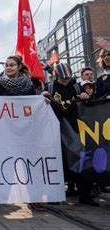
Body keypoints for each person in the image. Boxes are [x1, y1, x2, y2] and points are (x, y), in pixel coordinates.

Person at [0, 55, 37, 212]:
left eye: (12, 65)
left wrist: (43, 100)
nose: (8, 67)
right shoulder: (0, 84)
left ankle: (33, 198)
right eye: (6, 65)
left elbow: (34, 102)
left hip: (23, 131)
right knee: (3, 165)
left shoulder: (28, 84)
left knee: (26, 165)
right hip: (4, 132)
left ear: (19, 67)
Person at [41, 63, 99, 206]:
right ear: (57, 76)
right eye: (63, 78)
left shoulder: (77, 87)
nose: (66, 80)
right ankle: (55, 194)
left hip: (75, 128)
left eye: (68, 77)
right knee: (57, 161)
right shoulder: (49, 88)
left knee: (81, 160)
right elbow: (40, 106)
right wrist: (41, 98)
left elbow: (89, 106)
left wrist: (85, 97)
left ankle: (85, 195)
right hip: (55, 129)